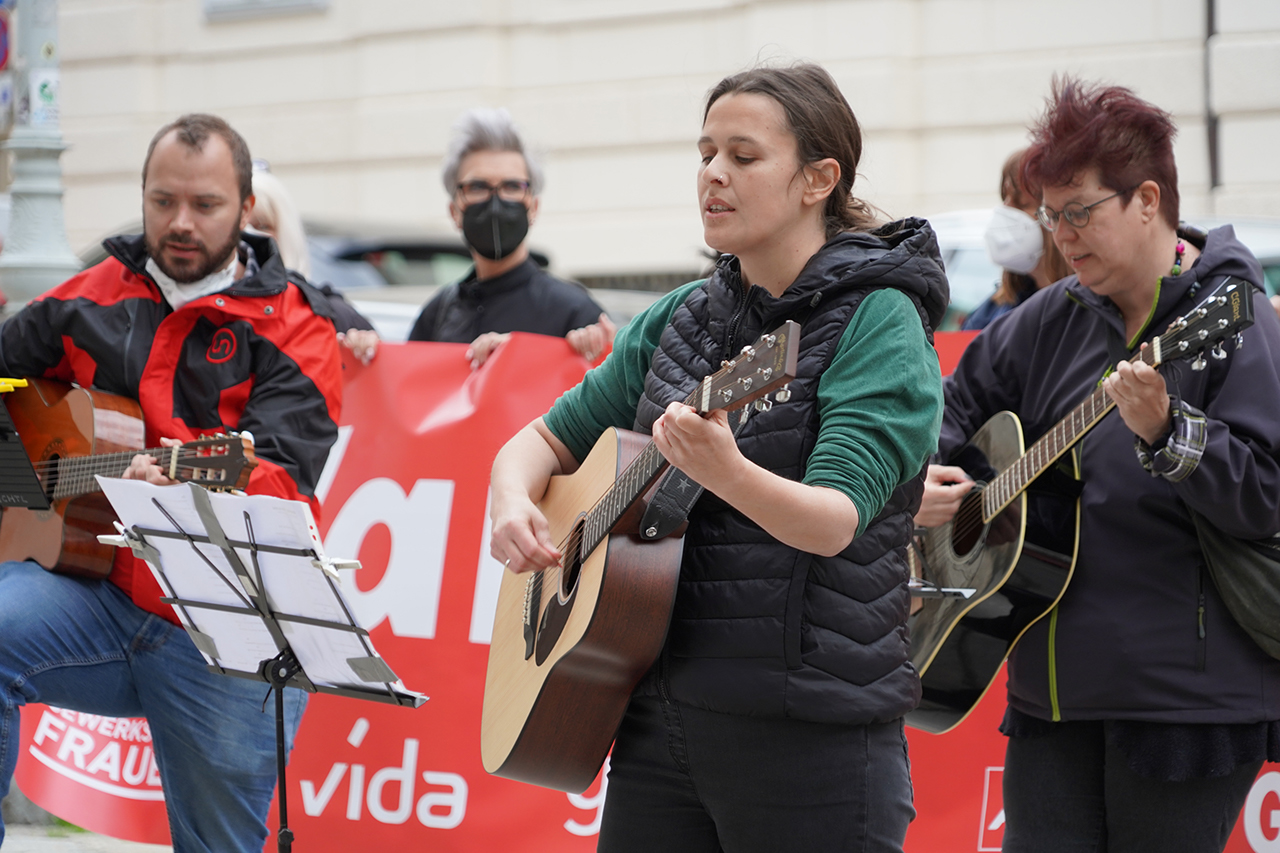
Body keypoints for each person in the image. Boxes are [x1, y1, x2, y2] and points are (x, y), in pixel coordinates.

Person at [489, 64, 947, 852]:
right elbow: (536, 442)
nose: (713, 174)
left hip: (808, 740)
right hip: (654, 722)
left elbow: (834, 520)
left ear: (817, 179)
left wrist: (725, 471)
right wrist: (511, 503)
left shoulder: (880, 321)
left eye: (743, 155)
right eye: (705, 153)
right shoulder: (680, 316)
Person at [916, 77, 1280, 852]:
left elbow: (1264, 497)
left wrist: (1173, 433)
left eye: (1079, 212)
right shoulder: (1048, 317)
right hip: (1050, 691)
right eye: (1051, 215)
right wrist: (933, 475)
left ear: (1147, 199)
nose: (1061, 235)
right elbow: (953, 407)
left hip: (1185, 703)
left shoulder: (1234, 320)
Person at [0, 114, 343, 852]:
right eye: (162, 202)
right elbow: (4, 375)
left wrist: (176, 473)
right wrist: (22, 471)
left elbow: (281, 478)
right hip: (96, 595)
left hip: (229, 625)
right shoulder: (88, 296)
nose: (180, 222)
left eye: (205, 204)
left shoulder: (297, 329)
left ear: (247, 208)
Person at [408, 107, 615, 368]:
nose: (495, 202)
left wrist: (529, 353)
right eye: (478, 187)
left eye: (512, 186)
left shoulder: (574, 313)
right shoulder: (437, 314)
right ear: (454, 211)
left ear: (534, 207)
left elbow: (611, 398)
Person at [248, 164, 379, 357]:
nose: (249, 236)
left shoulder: (330, 314)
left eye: (262, 225)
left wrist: (364, 347)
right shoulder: (201, 311)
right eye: (239, 226)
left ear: (286, 233)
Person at [961, 148, 1071, 330]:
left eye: (1022, 203)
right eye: (1005, 199)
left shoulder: (1084, 312)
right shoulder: (992, 312)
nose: (1006, 210)